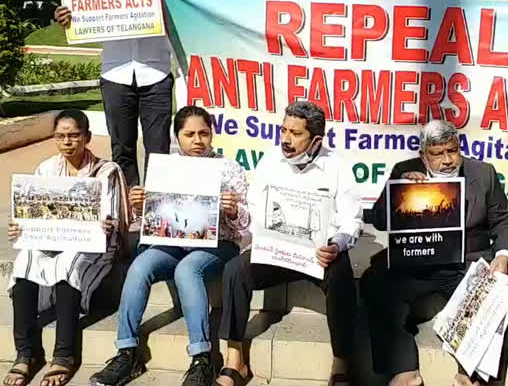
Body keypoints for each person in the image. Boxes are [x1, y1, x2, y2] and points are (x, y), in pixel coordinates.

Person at [89, 106, 250, 386]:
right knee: (140, 266)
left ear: (213, 135)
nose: (197, 140)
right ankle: (126, 352)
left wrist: (233, 210)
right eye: (189, 134)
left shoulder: (228, 168)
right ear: (178, 136)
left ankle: (202, 358)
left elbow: (245, 226)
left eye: (204, 133)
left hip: (217, 244)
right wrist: (139, 205)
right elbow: (151, 218)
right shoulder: (166, 167)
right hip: (172, 243)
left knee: (188, 270)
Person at [361, 120, 508, 386]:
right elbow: (379, 220)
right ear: (423, 155)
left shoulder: (483, 173)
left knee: (494, 296)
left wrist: (503, 255)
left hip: (466, 261)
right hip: (418, 263)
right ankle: (405, 370)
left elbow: (503, 221)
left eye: (452, 151)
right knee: (374, 284)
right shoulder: (404, 170)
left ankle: (468, 373)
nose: (447, 160)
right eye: (438, 154)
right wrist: (400, 192)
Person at [215, 101, 362, 386]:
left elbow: (352, 220)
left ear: (316, 139)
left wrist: (337, 245)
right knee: (236, 269)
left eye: (295, 133)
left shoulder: (337, 167)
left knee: (341, 272)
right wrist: (238, 214)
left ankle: (342, 364)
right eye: (283, 130)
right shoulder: (270, 160)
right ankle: (236, 359)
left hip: (319, 255)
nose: (286, 139)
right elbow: (255, 209)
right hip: (275, 251)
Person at [5, 110, 130, 386]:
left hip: (92, 245)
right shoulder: (46, 169)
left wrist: (106, 225)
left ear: (86, 137)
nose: (67, 141)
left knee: (68, 265)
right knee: (24, 263)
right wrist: (20, 228)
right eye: (60, 136)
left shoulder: (107, 171)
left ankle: (64, 354)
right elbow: (31, 213)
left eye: (73, 135)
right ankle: (26, 352)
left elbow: (116, 218)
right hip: (51, 240)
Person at [54, 0, 172, 191]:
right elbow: (79, 20)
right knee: (122, 147)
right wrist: (66, 16)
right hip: (116, 74)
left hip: (156, 74)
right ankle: (128, 209)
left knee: (159, 148)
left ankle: (156, 210)